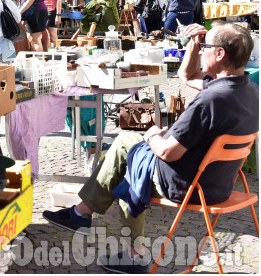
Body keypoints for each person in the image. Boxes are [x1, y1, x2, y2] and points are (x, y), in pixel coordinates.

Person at [43, 21, 258, 273]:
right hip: (219, 183)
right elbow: (187, 77)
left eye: (205, 47)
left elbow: (168, 152)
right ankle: (82, 213)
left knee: (128, 156)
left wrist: (152, 134)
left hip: (187, 184)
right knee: (127, 150)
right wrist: (194, 44)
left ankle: (129, 251)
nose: (201, 51)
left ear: (220, 54)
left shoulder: (211, 99)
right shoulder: (248, 89)